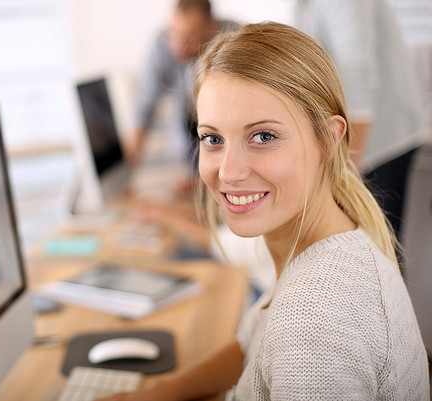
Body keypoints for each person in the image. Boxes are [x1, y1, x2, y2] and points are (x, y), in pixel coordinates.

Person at [98, 22, 429, 400]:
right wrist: (160, 393)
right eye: (213, 139)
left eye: (263, 137)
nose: (228, 172)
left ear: (330, 140)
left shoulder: (313, 319)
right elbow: (252, 342)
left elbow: (292, 337)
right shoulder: (322, 239)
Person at [294, 0, 428, 240]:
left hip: (382, 138)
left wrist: (345, 170)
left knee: (376, 243)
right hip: (356, 136)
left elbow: (357, 75)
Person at [125, 0, 240, 168]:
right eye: (174, 34)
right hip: (186, 144)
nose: (177, 47)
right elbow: (144, 106)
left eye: (188, 39)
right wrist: (129, 169)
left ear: (211, 27)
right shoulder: (162, 42)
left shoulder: (237, 40)